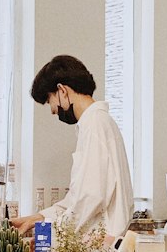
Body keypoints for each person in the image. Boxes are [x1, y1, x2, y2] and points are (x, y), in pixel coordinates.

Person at [12, 54, 133, 240]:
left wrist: (51, 232)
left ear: (62, 90)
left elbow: (91, 197)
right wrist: (38, 218)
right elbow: (76, 198)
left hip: (99, 247)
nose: (53, 110)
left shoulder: (95, 124)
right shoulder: (96, 123)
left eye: (49, 100)